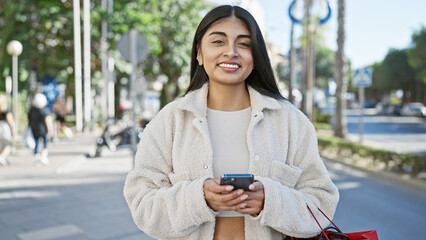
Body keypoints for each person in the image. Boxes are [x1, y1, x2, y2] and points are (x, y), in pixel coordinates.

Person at [124, 5, 339, 240]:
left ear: (255, 56)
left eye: (244, 44)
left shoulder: (290, 121)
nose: (231, 52)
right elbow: (142, 205)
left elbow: (322, 203)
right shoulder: (170, 121)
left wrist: (270, 200)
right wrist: (199, 199)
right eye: (218, 42)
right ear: (198, 53)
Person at [28, 93, 53, 165]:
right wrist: (50, 130)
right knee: (45, 143)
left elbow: (29, 120)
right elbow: (48, 120)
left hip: (34, 129)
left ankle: (37, 158)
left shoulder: (32, 110)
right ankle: (43, 156)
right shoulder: (44, 110)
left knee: (36, 143)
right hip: (43, 129)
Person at [0, 94, 16, 166]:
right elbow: (10, 120)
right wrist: (13, 130)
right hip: (4, 128)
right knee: (8, 145)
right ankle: (2, 157)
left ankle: (3, 158)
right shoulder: (6, 111)